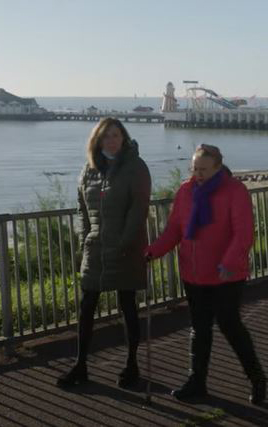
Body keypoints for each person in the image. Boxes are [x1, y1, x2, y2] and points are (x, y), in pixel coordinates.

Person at [146, 144, 267, 404]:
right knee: (199, 329)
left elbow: (243, 233)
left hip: (227, 275)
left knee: (230, 326)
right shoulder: (186, 191)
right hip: (194, 273)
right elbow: (174, 230)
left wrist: (229, 262)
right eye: (194, 168)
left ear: (217, 167)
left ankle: (257, 378)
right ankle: (196, 382)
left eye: (202, 169)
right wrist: (151, 252)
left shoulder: (235, 191)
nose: (197, 174)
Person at [57, 117, 151, 389]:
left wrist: (123, 242)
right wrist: (85, 236)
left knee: (128, 305)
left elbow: (139, 209)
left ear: (123, 138)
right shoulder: (90, 169)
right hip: (95, 247)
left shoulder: (135, 167)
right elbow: (81, 208)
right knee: (87, 306)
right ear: (97, 139)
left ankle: (132, 365)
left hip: (125, 247)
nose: (111, 139)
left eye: (115, 135)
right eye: (105, 135)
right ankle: (81, 365)